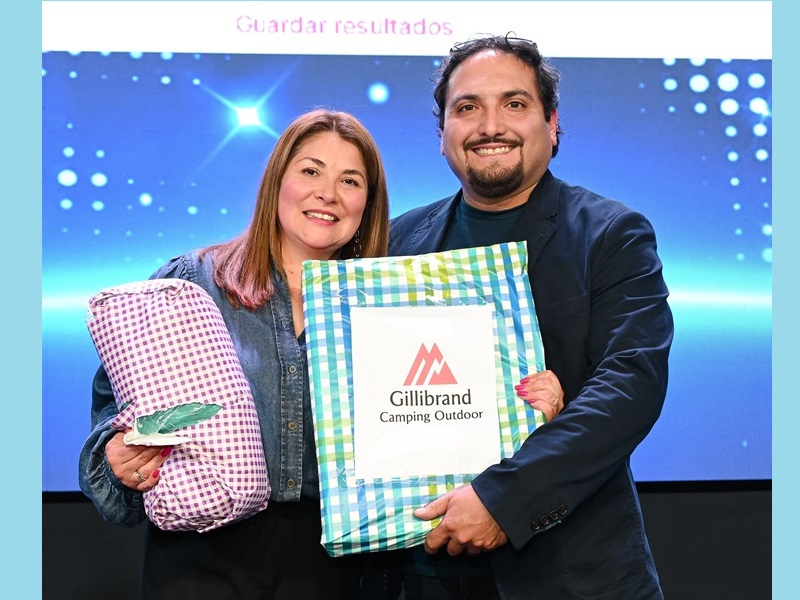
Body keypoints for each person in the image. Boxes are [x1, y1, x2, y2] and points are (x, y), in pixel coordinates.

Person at [371, 35, 675, 599]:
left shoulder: (610, 235)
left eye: (514, 104)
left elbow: (630, 385)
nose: (490, 126)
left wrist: (502, 501)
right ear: (442, 134)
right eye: (467, 108)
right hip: (419, 570)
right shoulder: (396, 242)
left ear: (552, 124)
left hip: (569, 573)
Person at [78, 108, 392, 599]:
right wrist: (120, 453)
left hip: (336, 570)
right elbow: (115, 405)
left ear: (368, 204)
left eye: (350, 181)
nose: (328, 193)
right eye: (311, 171)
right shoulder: (190, 284)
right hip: (199, 564)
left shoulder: (391, 306)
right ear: (277, 182)